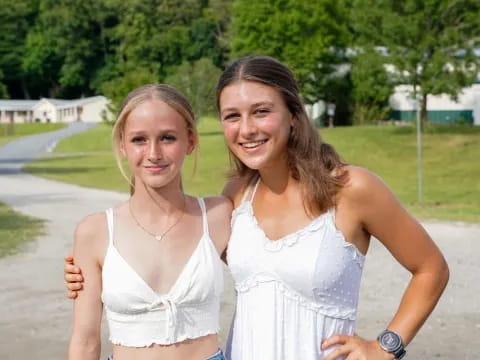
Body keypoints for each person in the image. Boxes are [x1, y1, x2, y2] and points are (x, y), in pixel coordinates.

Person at [65, 56, 449, 360]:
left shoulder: (351, 188)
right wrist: (88, 270)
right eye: (233, 116)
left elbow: (431, 268)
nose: (246, 129)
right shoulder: (235, 197)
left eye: (261, 111)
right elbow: (174, 254)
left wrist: (386, 347)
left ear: (294, 116)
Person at [67, 84, 231, 360]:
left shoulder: (218, 216)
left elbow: (271, 273)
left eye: (167, 138)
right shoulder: (95, 232)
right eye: (139, 140)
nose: (153, 153)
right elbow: (85, 341)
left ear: (190, 141)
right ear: (122, 144)